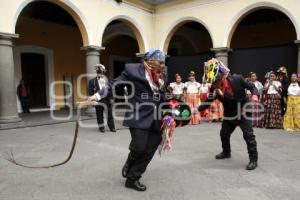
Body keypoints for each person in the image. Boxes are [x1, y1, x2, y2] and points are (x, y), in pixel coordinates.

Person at [88, 49, 171, 191]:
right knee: (139, 147)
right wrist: (97, 96)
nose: (162, 65)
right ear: (148, 61)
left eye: (163, 62)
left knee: (151, 148)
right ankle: (130, 161)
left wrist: (170, 107)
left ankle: (133, 178)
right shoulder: (132, 70)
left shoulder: (163, 71)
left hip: (158, 116)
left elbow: (163, 93)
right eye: (159, 62)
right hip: (139, 114)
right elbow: (114, 84)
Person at [199, 58, 259, 170]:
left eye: (216, 80)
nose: (214, 84)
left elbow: (252, 87)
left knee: (248, 136)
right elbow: (208, 101)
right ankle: (226, 152)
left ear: (222, 76)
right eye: (212, 81)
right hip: (230, 114)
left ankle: (253, 160)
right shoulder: (214, 87)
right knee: (224, 134)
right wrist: (195, 109)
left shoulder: (237, 79)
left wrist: (255, 95)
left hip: (243, 112)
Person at [88, 64, 116, 133]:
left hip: (107, 99)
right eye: (99, 72)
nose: (101, 74)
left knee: (109, 114)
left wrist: (111, 98)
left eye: (102, 72)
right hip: (98, 100)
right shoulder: (92, 81)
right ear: (97, 73)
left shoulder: (106, 80)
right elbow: (91, 92)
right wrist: (92, 101)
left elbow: (110, 89)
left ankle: (112, 127)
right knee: (99, 114)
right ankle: (101, 128)